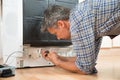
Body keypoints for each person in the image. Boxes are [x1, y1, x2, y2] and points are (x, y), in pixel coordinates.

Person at [41, 0, 120, 74]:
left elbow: (85, 68)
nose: (58, 38)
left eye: (55, 33)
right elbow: (86, 60)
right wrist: (59, 58)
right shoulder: (80, 15)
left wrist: (58, 62)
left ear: (61, 24)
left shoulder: (77, 24)